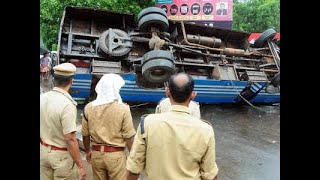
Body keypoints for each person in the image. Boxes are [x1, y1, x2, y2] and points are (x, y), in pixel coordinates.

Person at [126, 73, 219, 180]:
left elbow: (134, 168)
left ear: (167, 92)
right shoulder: (206, 130)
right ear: (193, 95)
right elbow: (210, 174)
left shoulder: (147, 123)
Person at [81, 73, 136, 180]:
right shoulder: (123, 109)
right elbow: (129, 137)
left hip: (96, 155)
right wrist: (133, 158)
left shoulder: (88, 107)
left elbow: (85, 135)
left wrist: (88, 151)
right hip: (115, 156)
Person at [40, 63, 86, 180]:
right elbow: (70, 139)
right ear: (72, 81)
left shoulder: (42, 98)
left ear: (54, 79)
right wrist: (80, 165)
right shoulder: (68, 105)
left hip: (43, 152)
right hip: (61, 158)